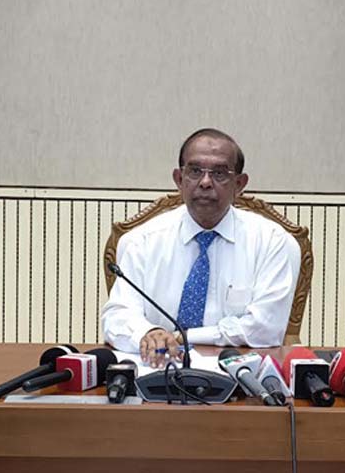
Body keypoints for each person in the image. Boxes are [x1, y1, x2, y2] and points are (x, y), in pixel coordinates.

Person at [101, 128, 301, 367]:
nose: (205, 182)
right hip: (158, 371)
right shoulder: (142, 241)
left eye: (219, 173)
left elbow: (264, 329)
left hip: (239, 374)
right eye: (195, 171)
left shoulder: (271, 242)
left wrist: (181, 337)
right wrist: (149, 333)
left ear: (239, 184)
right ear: (179, 179)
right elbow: (117, 315)